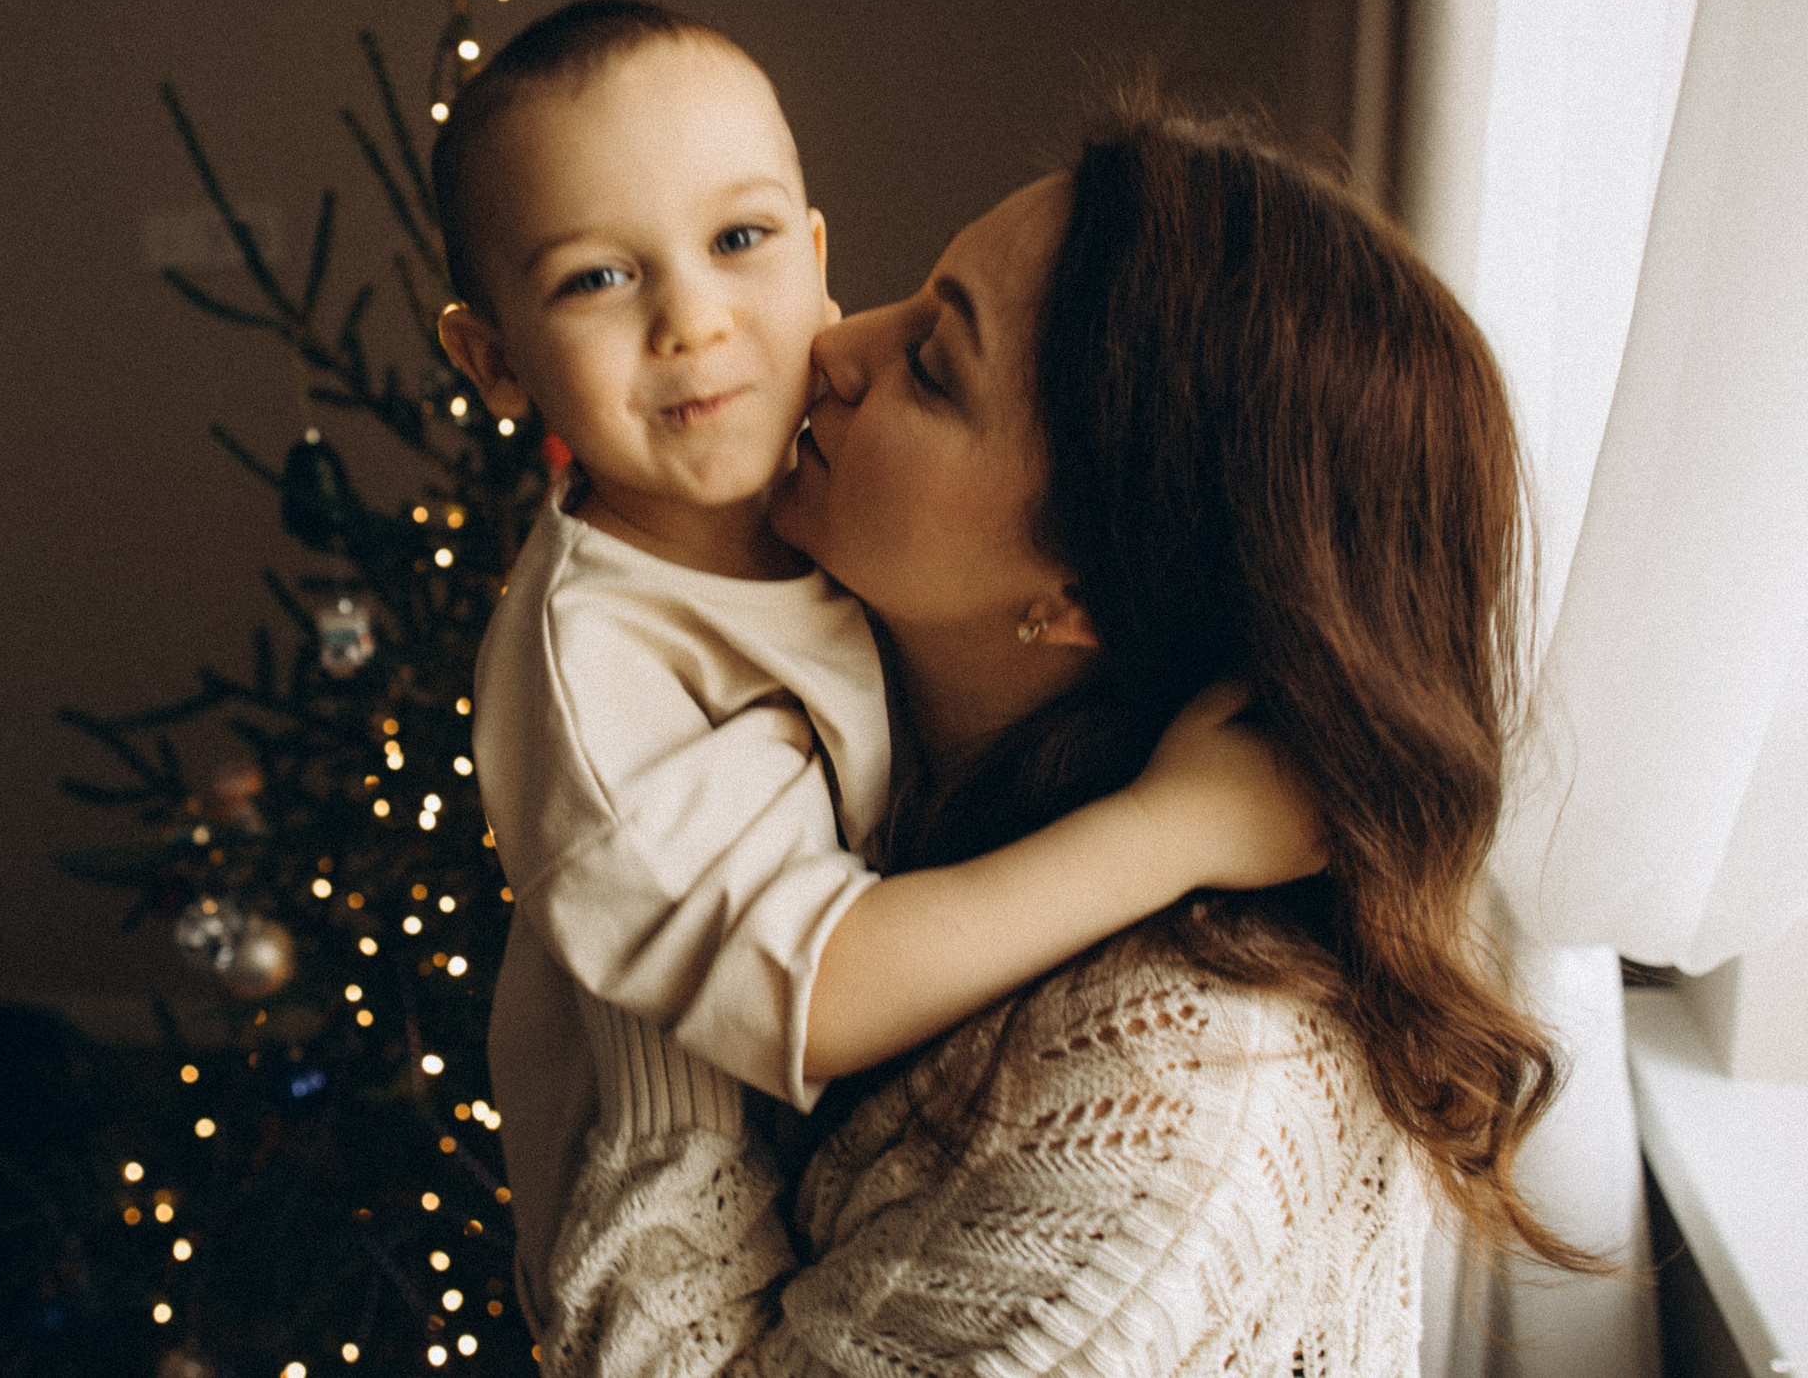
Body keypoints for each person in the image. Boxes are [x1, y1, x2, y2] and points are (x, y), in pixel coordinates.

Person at [537, 96, 1600, 1377]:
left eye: (933, 366)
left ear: (1085, 592)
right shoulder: (843, 736)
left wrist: (664, 1008)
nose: (833, 344)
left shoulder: (1168, 1116)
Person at [431, 1, 1325, 1334]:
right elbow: (823, 994)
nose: (691, 319)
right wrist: (1175, 826)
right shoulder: (602, 659)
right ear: (495, 360)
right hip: (678, 1241)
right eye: (597, 279)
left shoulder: (816, 512)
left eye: (739, 240)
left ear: (813, 257)